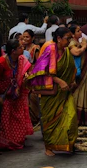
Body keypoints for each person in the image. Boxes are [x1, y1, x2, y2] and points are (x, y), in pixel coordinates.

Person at [27, 27, 78, 156]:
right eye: (68, 38)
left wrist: (71, 81)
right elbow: (41, 71)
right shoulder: (50, 49)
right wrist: (59, 81)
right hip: (51, 94)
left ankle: (67, 144)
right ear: (59, 38)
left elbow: (71, 68)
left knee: (71, 118)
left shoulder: (66, 51)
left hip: (65, 93)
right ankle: (49, 147)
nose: (70, 41)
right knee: (50, 122)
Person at [0, 40, 33, 150]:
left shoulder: (22, 60)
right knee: (7, 121)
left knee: (19, 118)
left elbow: (28, 70)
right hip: (5, 96)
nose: (23, 49)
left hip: (18, 95)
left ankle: (18, 141)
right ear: (13, 51)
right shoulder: (1, 62)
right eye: (20, 47)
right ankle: (7, 143)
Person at [68, 25, 87, 126]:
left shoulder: (80, 43)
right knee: (76, 95)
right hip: (77, 74)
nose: (80, 32)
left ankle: (83, 120)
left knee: (84, 94)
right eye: (78, 31)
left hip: (85, 73)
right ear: (73, 34)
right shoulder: (72, 43)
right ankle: (75, 120)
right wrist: (84, 46)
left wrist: (86, 46)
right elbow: (76, 52)